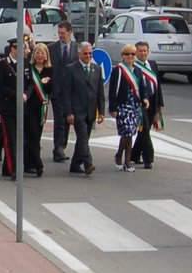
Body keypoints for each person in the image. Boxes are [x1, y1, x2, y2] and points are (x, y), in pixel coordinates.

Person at [58, 41, 106, 175]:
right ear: (79, 53)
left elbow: (100, 93)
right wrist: (68, 113)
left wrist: (101, 111)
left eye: (90, 53)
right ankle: (88, 163)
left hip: (91, 111)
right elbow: (66, 93)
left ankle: (75, 164)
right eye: (86, 53)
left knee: (83, 139)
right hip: (77, 111)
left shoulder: (97, 69)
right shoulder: (71, 69)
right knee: (83, 137)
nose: (88, 56)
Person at [107, 43, 143, 172]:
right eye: (127, 54)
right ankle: (118, 155)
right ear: (123, 56)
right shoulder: (119, 70)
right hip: (123, 105)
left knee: (131, 134)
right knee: (126, 132)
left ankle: (127, 162)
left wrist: (145, 99)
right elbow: (112, 90)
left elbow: (142, 87)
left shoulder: (137, 70)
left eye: (133, 54)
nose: (130, 56)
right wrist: (113, 107)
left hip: (134, 106)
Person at [48, 21, 81, 163]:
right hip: (57, 91)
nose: (60, 35)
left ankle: (62, 146)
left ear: (69, 32)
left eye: (63, 33)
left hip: (72, 91)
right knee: (59, 120)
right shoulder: (52, 48)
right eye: (59, 33)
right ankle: (58, 148)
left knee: (68, 119)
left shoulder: (76, 48)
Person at [130, 40, 162, 169]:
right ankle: (148, 158)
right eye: (140, 51)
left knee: (145, 130)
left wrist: (160, 103)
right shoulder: (134, 66)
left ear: (148, 52)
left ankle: (135, 154)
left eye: (145, 51)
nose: (143, 53)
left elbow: (158, 85)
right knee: (145, 131)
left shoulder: (153, 64)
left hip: (153, 102)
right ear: (136, 52)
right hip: (141, 103)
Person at [24, 41, 54, 177]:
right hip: (29, 106)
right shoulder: (29, 68)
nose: (40, 55)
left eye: (43, 53)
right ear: (33, 55)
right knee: (33, 135)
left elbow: (51, 90)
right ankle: (38, 164)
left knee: (37, 136)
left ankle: (29, 163)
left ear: (46, 56)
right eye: (37, 53)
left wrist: (47, 84)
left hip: (42, 107)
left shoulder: (49, 70)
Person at [0, 39, 19, 178]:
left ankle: (6, 167)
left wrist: (26, 94)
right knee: (11, 139)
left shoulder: (25, 63)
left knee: (17, 138)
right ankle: (12, 169)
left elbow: (29, 82)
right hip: (7, 107)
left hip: (21, 108)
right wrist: (15, 94)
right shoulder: (2, 64)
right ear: (12, 49)